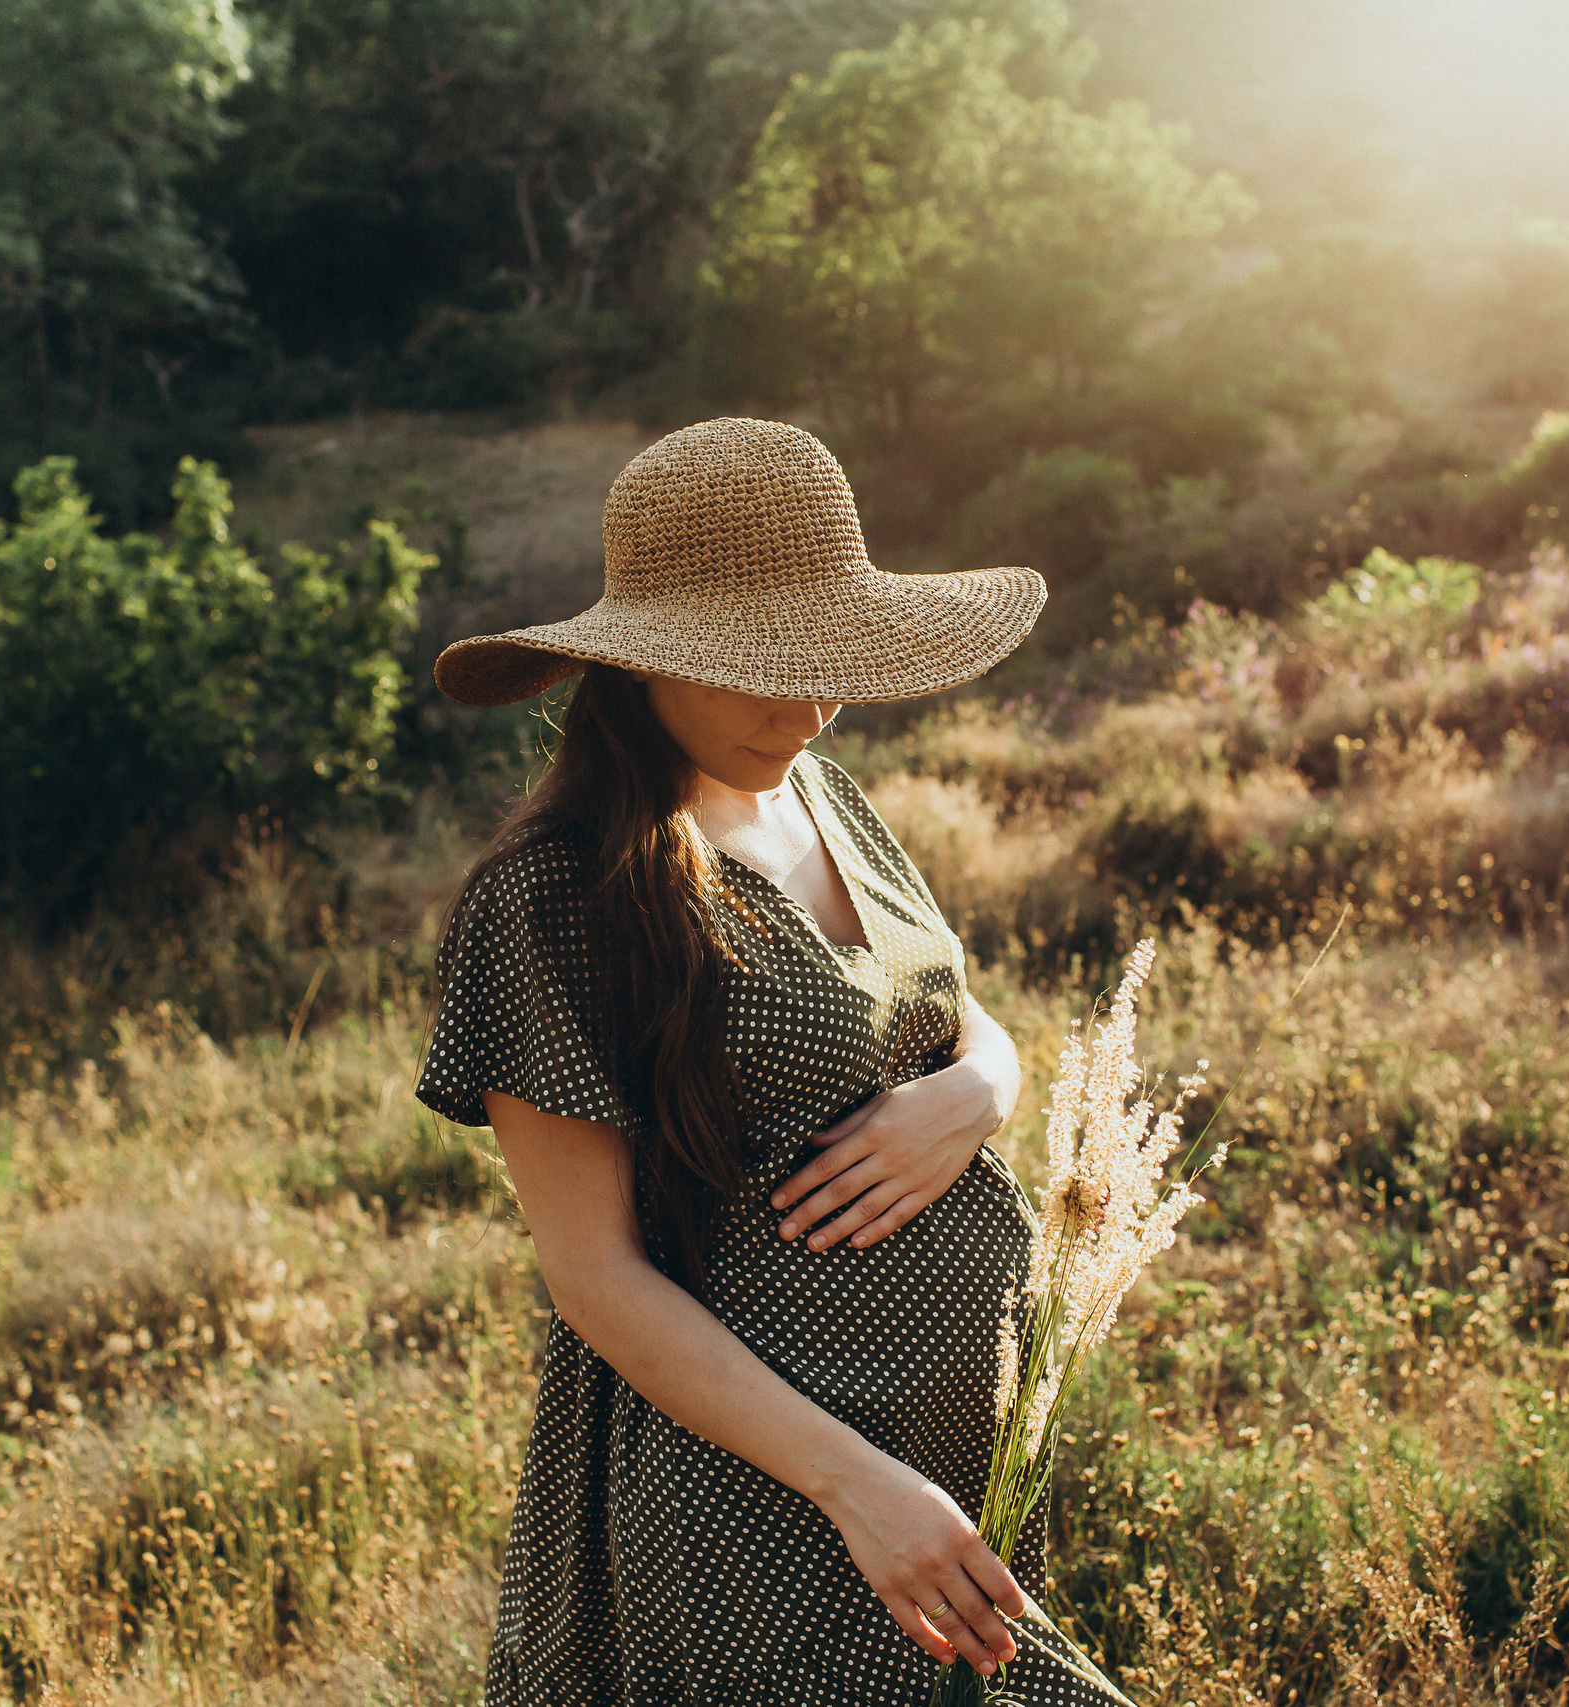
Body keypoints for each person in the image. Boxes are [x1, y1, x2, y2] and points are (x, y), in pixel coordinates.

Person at [418, 417, 1131, 1705]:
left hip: (942, 1449)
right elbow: (594, 1280)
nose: (804, 708)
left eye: (829, 665)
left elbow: (950, 1010)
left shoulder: (821, 792)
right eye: (763, 669)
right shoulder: (554, 902)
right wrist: (857, 1485)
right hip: (760, 1497)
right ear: (643, 665)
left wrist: (979, 1093)